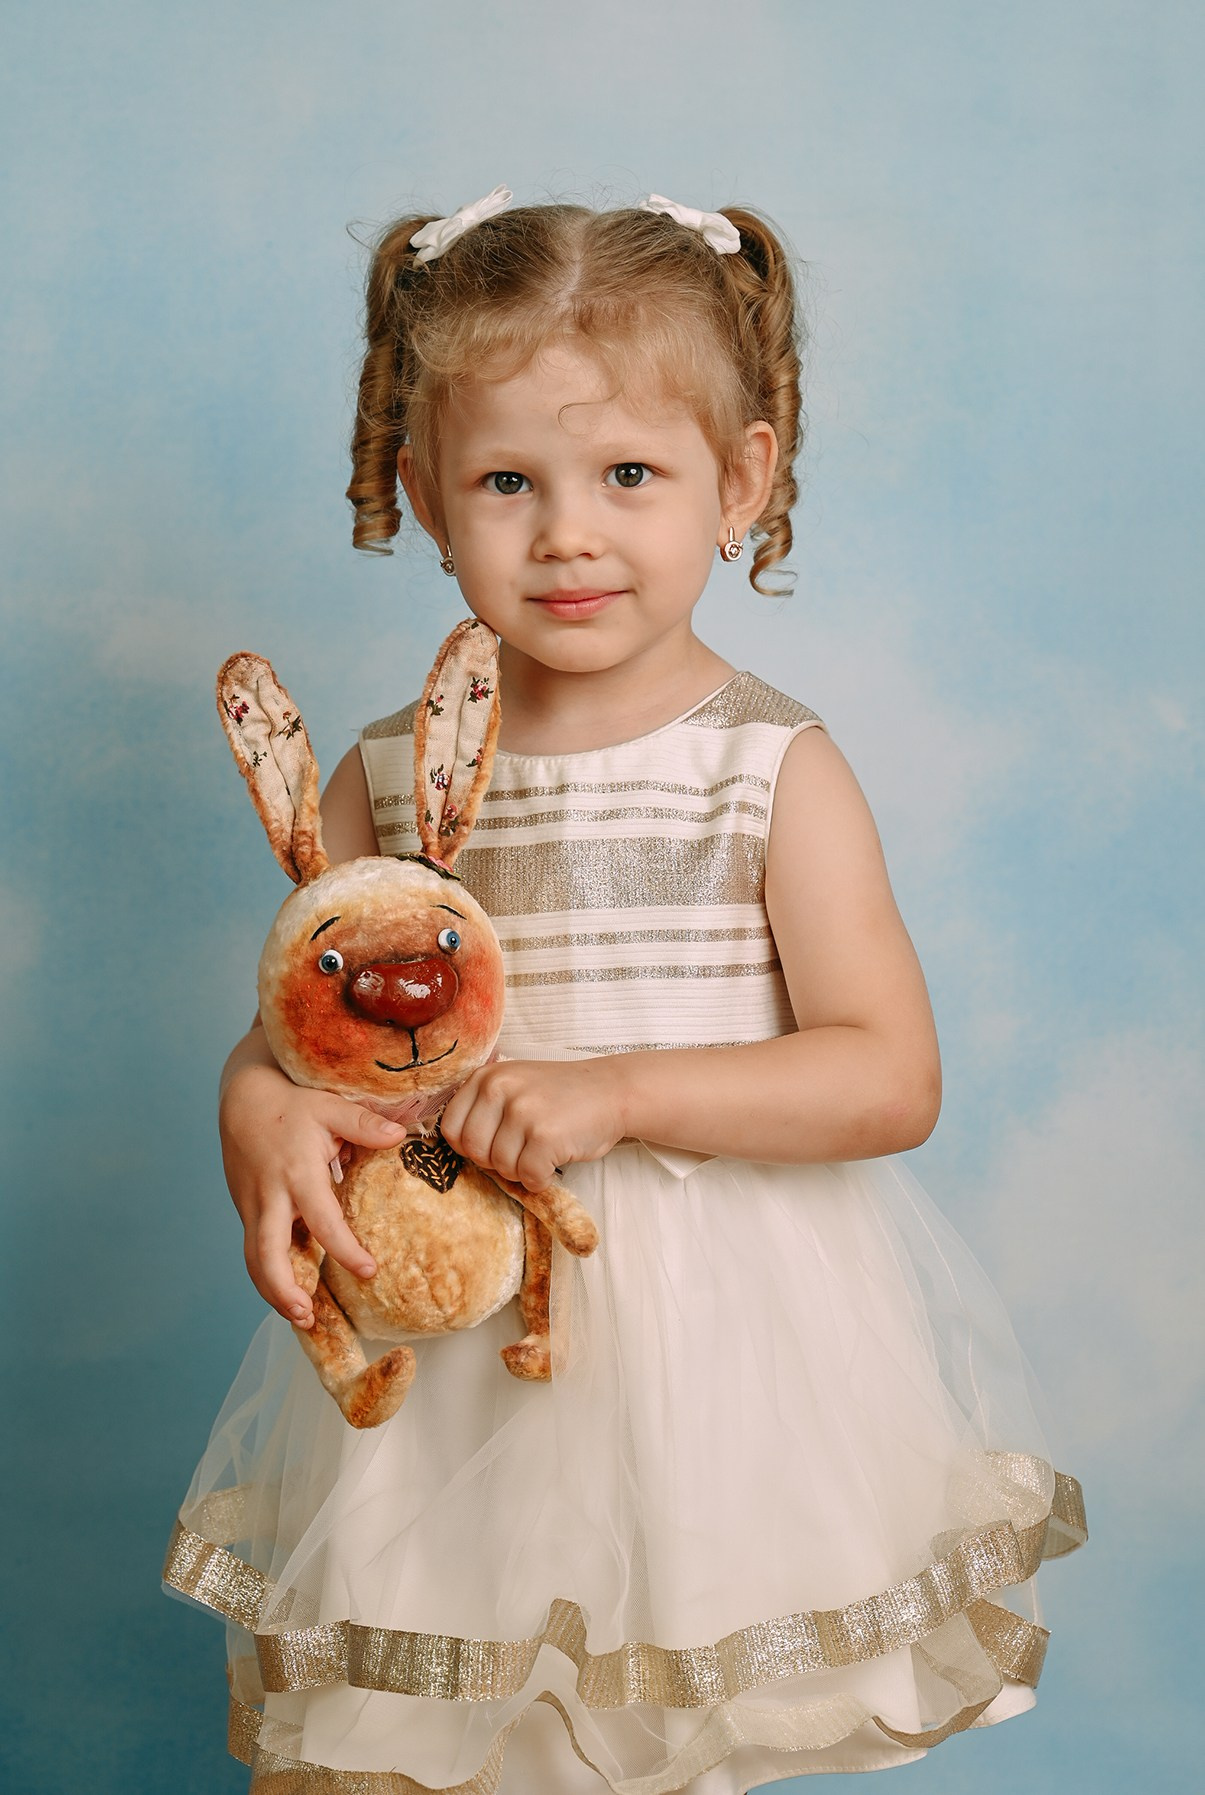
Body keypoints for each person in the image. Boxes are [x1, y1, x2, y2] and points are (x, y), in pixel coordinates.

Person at [165, 186, 1085, 1794]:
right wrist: (253, 1104)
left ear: (741, 481)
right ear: (423, 494)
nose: (567, 534)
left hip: (716, 1347)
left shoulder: (768, 770)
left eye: (629, 476)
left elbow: (887, 1077)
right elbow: (307, 1036)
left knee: (675, 1722)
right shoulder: (383, 779)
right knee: (463, 1738)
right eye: (506, 481)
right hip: (460, 1350)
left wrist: (622, 1092)